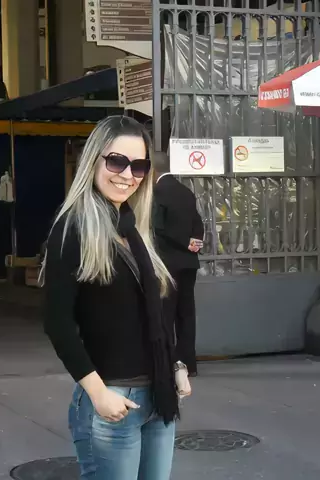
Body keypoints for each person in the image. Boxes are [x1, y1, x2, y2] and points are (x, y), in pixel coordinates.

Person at [42, 116, 191, 479]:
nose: (127, 175)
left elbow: (155, 311)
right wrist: (98, 393)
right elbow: (58, 323)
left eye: (138, 166)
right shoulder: (73, 227)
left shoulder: (132, 226)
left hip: (158, 396)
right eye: (116, 161)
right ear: (94, 160)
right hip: (112, 399)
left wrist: (175, 365)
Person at [152, 152, 204, 377]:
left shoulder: (157, 193)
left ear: (153, 170)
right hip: (189, 263)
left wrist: (183, 242)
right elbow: (198, 223)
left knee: (166, 314)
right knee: (186, 313)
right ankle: (189, 364)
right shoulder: (186, 191)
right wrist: (195, 242)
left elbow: (158, 228)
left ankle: (169, 363)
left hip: (167, 263)